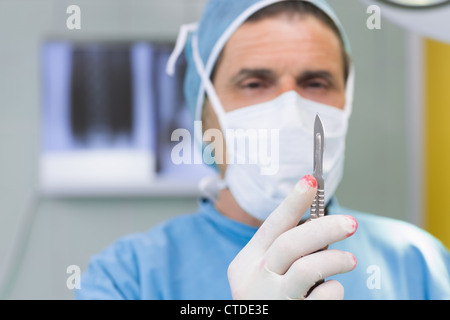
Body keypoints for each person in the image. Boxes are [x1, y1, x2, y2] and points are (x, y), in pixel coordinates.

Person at [75, 0, 450, 300]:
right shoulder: (129, 277)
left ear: (346, 102)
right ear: (205, 115)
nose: (290, 110)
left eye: (316, 82)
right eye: (255, 83)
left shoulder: (417, 264)